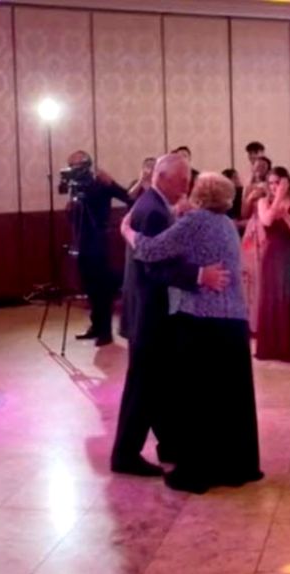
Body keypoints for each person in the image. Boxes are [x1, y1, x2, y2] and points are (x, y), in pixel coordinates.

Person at [122, 172, 262, 493]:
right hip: (234, 322)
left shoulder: (196, 221)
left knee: (199, 397)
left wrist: (127, 231)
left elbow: (152, 250)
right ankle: (235, 464)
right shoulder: (226, 222)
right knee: (230, 400)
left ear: (199, 193)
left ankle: (200, 469)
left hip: (204, 321)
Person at [114, 153, 229, 477]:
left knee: (159, 382)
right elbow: (154, 267)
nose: (186, 185)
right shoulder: (151, 210)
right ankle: (125, 455)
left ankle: (170, 444)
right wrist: (198, 276)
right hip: (151, 311)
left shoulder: (154, 204)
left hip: (151, 309)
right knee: (144, 384)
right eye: (181, 180)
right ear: (162, 177)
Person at [64, 150, 130, 347]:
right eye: (71, 166)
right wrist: (70, 210)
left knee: (102, 288)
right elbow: (75, 218)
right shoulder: (75, 188)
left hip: (98, 240)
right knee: (89, 287)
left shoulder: (101, 183)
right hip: (81, 241)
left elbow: (127, 197)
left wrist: (112, 183)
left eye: (77, 166)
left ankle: (105, 332)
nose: (74, 170)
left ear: (87, 165)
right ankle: (96, 326)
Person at [254, 166, 290, 363]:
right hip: (272, 256)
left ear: (287, 182)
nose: (274, 186)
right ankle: (272, 346)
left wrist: (287, 217)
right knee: (272, 297)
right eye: (271, 183)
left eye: (278, 183)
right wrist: (277, 199)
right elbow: (266, 221)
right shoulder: (263, 201)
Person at [239, 157, 273, 332]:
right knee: (249, 273)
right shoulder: (248, 186)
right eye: (256, 166)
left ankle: (266, 319)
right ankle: (251, 319)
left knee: (264, 271)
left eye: (263, 166)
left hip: (266, 226)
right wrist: (249, 197)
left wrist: (265, 195)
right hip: (252, 227)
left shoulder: (271, 185)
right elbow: (244, 213)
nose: (259, 168)